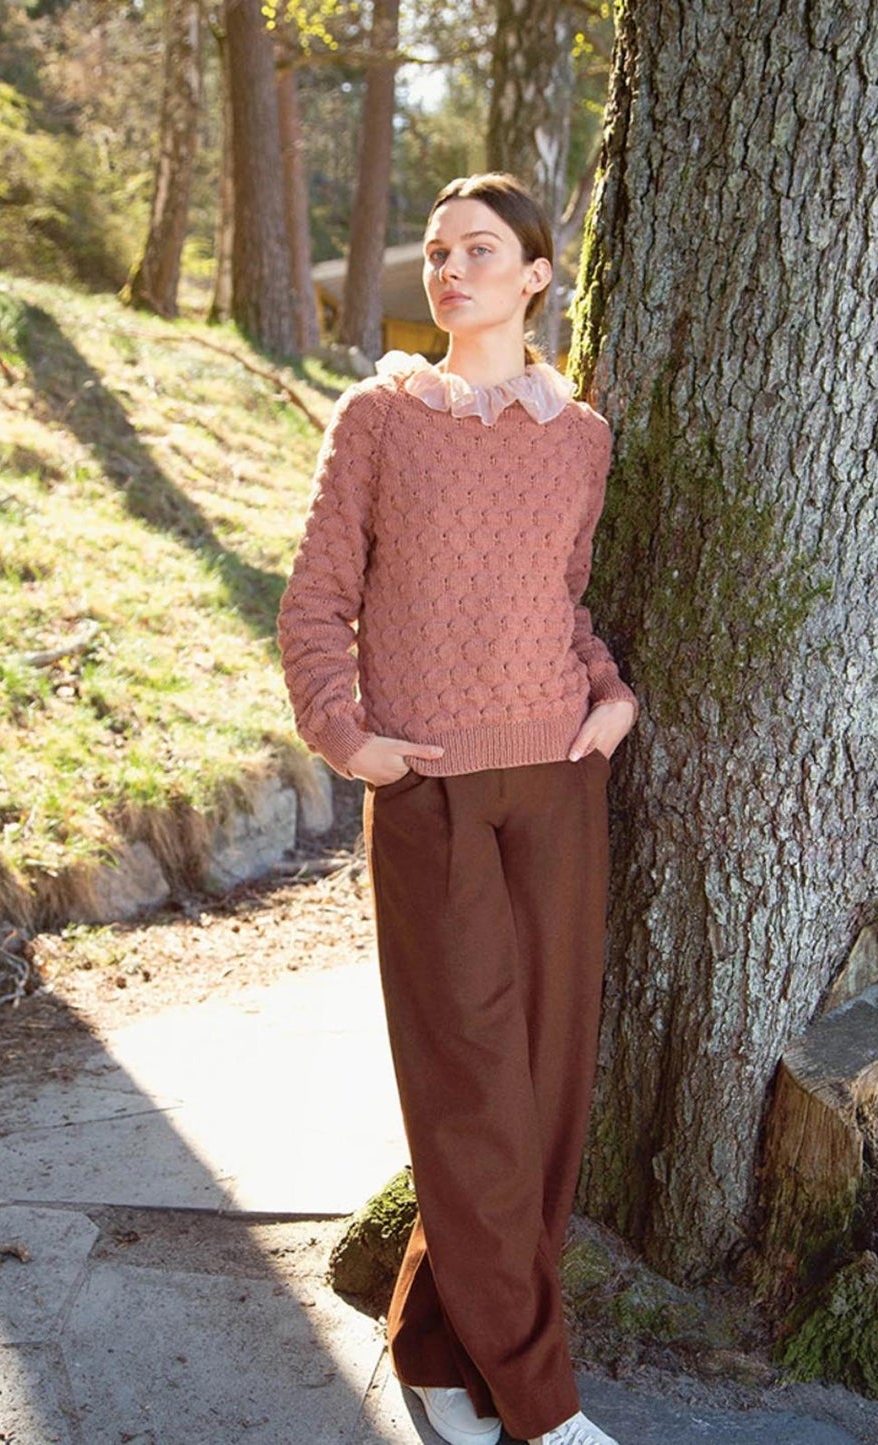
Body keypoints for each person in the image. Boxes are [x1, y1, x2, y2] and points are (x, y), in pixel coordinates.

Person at [278, 172, 637, 1445]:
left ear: (536, 274)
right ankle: (541, 1405)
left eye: (478, 250)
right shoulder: (379, 418)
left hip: (559, 785)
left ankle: (436, 1345)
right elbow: (315, 601)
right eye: (435, 251)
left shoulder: (578, 436)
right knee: (471, 1092)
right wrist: (349, 738)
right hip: (426, 794)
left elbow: (562, 601)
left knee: (543, 1097)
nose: (448, 270)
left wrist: (609, 696)